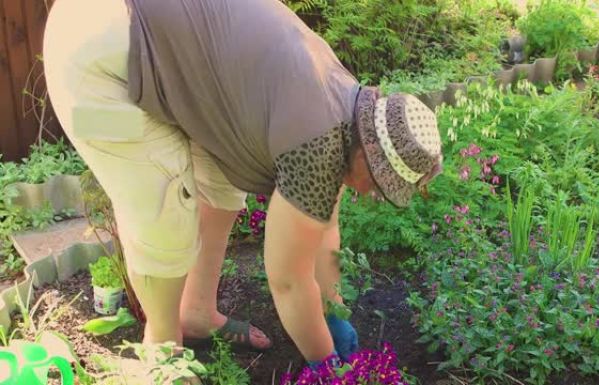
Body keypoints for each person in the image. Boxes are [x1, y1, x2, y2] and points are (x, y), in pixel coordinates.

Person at [44, 0, 443, 368]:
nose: (370, 195)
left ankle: (196, 312)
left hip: (139, 42)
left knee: (220, 187)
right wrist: (327, 365)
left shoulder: (347, 104)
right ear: (367, 155)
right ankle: (162, 354)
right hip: (93, 67)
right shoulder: (318, 143)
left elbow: (324, 226)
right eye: (377, 184)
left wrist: (332, 310)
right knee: (165, 200)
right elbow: (288, 280)